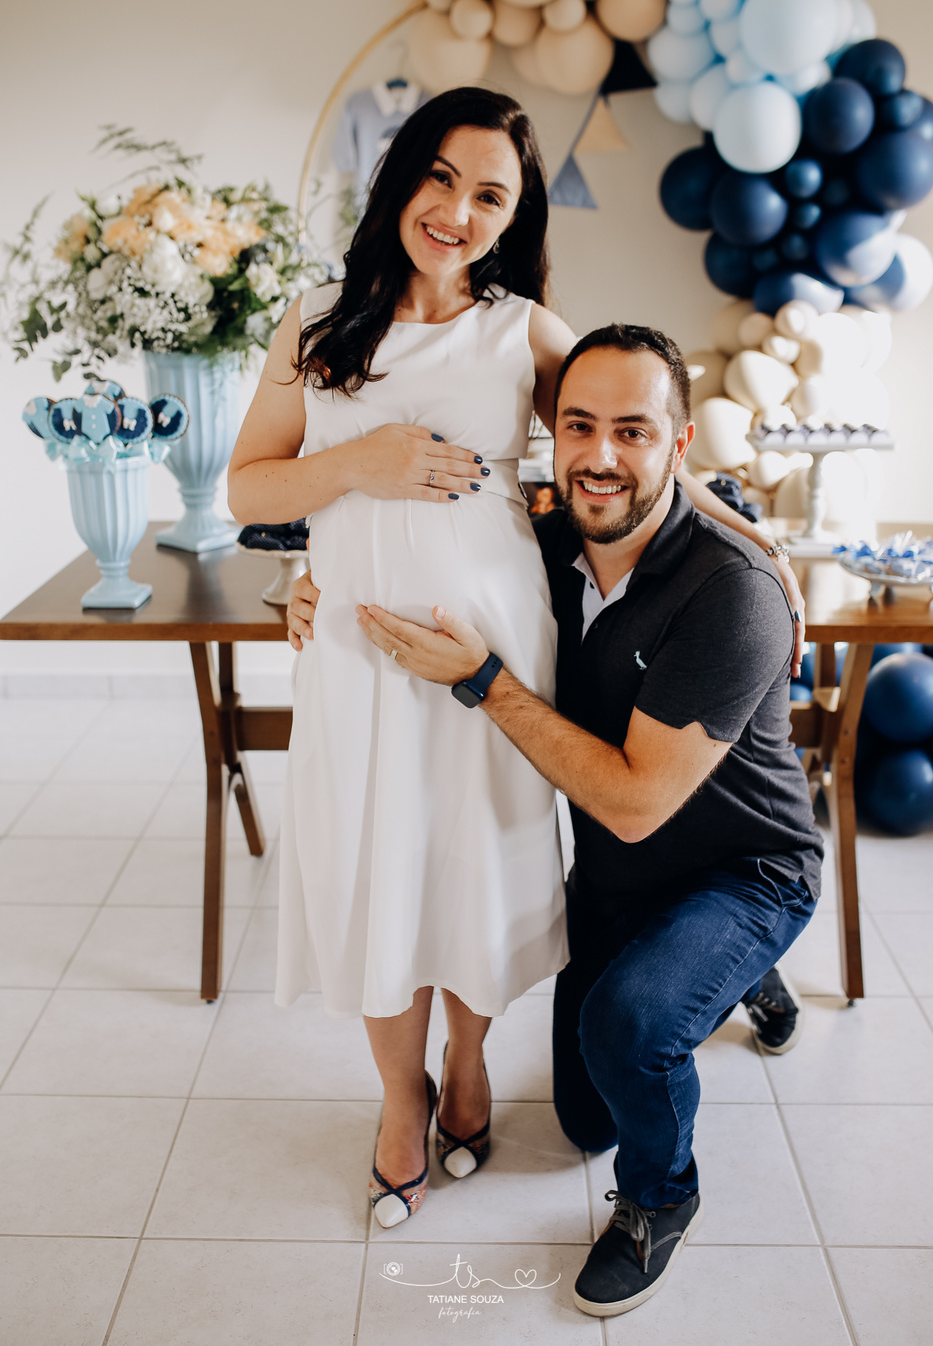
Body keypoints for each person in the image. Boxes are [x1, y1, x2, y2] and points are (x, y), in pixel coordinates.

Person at [230, 85, 804, 1234]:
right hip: (356, 656)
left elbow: (629, 429)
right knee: (376, 870)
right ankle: (401, 1097)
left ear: (513, 215)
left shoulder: (521, 328)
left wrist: (752, 538)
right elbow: (249, 486)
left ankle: (468, 1059)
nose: (458, 210)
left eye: (490, 195)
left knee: (472, 866)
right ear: (403, 175)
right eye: (441, 177)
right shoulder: (317, 320)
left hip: (491, 659)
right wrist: (360, 467)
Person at [343, 323, 822, 1315]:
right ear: (550, 434)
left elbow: (633, 803)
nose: (600, 455)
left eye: (633, 431)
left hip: (744, 869)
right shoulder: (546, 545)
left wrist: (485, 679)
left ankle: (662, 1196)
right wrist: (311, 591)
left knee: (630, 1028)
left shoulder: (732, 594)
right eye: (579, 426)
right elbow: (413, 559)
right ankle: (725, 978)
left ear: (678, 446)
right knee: (582, 1119)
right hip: (620, 877)